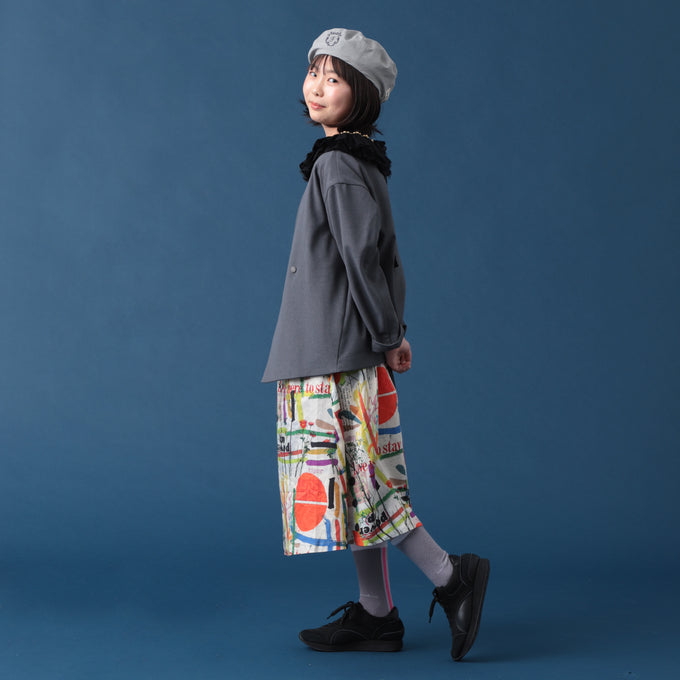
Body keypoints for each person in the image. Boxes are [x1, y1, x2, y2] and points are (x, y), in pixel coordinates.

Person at [262, 28, 489, 661]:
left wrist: (389, 335)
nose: (317, 86)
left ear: (361, 95)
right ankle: (376, 613)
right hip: (340, 345)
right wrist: (390, 333)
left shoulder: (338, 165)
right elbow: (379, 256)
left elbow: (363, 260)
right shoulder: (352, 160)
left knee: (363, 482)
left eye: (334, 79)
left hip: (333, 353)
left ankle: (452, 575)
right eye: (314, 72)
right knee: (351, 482)